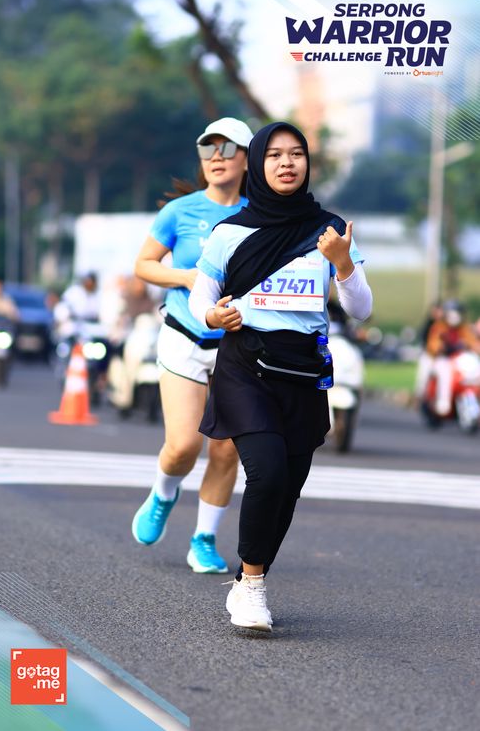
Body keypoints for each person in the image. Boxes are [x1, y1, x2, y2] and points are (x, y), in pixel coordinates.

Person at [189, 122, 372, 631]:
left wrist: (342, 264)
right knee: (267, 471)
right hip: (246, 365)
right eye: (274, 155)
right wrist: (212, 316)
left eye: (296, 154)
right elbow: (202, 295)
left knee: (287, 488)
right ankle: (251, 587)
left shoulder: (330, 231)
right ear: (257, 164)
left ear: (308, 163)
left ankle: (251, 574)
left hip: (304, 370)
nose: (287, 163)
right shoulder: (230, 232)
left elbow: (361, 308)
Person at [131, 117, 254, 574]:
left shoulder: (259, 214)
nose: (216, 157)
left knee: (226, 449)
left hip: (238, 345)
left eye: (228, 149)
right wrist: (184, 277)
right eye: (208, 149)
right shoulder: (179, 211)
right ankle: (163, 493)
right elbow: (144, 265)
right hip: (184, 335)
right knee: (183, 446)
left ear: (247, 159)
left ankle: (203, 538)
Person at [425, 299, 480, 415]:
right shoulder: (439, 327)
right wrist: (441, 347)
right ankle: (443, 401)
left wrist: (473, 347)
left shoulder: (464, 328)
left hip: (458, 359)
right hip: (442, 359)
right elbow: (433, 344)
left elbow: (473, 343)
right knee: (445, 372)